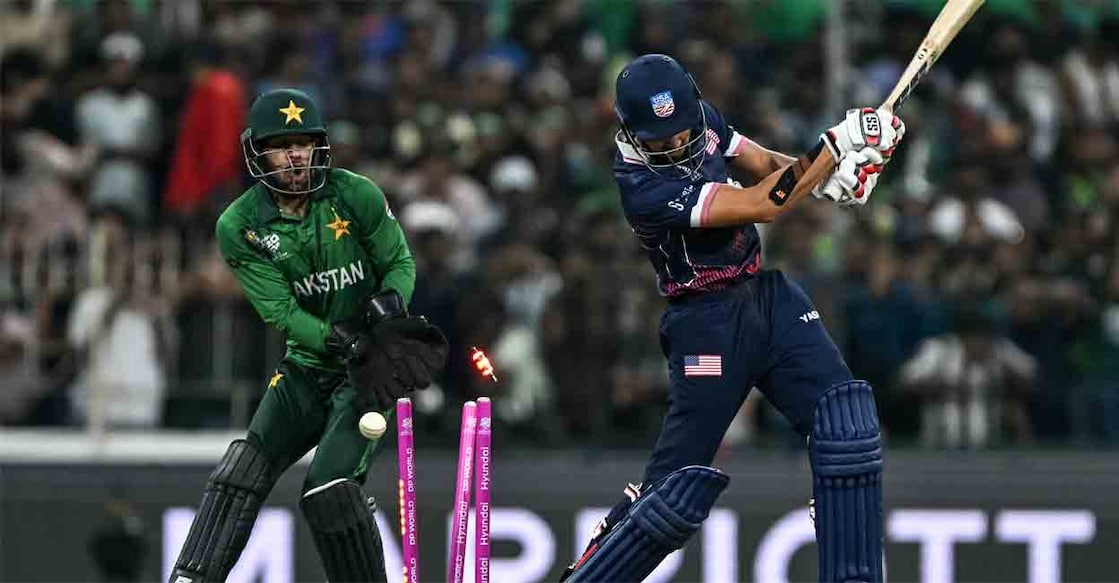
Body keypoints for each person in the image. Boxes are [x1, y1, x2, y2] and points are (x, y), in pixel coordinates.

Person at [562, 54, 904, 583]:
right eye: (661, 142)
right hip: (706, 325)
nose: (677, 146)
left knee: (847, 429)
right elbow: (759, 205)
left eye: (682, 134)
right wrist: (832, 147)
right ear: (631, 133)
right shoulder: (641, 187)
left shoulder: (701, 119)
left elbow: (767, 165)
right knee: (670, 495)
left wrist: (835, 172)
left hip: (765, 298)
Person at [169, 88, 446, 583]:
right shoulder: (240, 225)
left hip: (368, 373)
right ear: (258, 151)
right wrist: (336, 339)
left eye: (304, 142)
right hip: (307, 366)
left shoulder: (354, 193)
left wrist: (392, 304)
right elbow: (278, 308)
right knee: (242, 471)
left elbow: (399, 261)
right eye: (282, 144)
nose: (296, 154)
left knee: (329, 490)